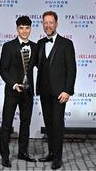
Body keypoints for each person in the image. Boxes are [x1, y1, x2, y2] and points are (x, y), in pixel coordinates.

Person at [36, 11, 76, 170]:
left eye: (51, 22)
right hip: (44, 92)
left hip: (60, 93)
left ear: (56, 24)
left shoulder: (66, 44)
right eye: (45, 22)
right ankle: (51, 153)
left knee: (57, 124)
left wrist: (67, 90)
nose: (48, 25)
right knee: (49, 124)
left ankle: (58, 158)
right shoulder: (39, 43)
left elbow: (71, 70)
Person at [0, 16, 37, 168]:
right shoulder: (8, 46)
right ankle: (5, 156)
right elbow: (3, 70)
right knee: (7, 124)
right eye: (21, 28)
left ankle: (23, 152)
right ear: (17, 29)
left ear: (30, 29)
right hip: (12, 91)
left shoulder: (35, 47)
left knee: (25, 124)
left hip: (28, 92)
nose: (24, 31)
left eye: (27, 28)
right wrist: (14, 84)